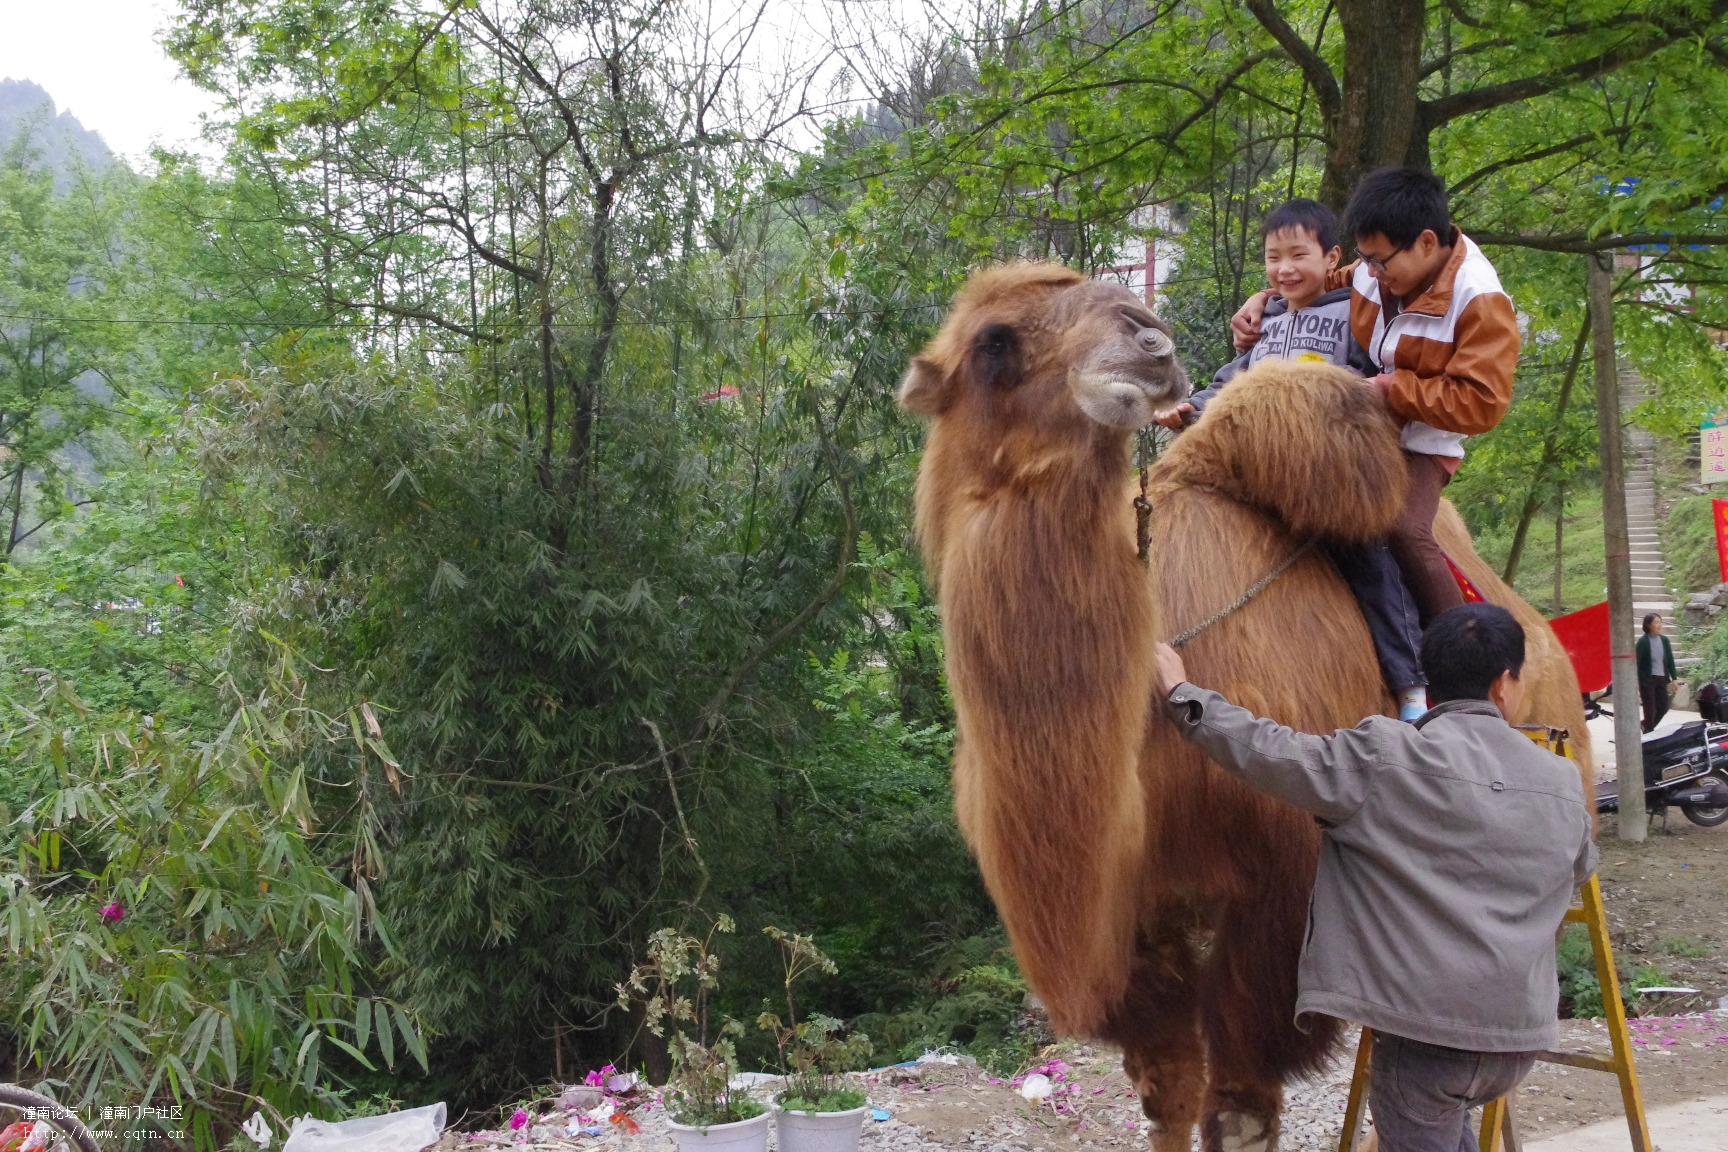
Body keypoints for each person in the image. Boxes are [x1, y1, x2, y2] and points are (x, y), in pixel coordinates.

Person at [1154, 602, 1596, 1152]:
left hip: (1427, 1048)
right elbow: (1578, 866)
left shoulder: (1383, 757)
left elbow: (1271, 752)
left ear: (1430, 683)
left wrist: (1182, 696)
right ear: (1507, 683)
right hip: (1518, 1041)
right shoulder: (1558, 776)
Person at [1157, 199, 1427, 721]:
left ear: (1332, 258)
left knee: (1369, 560)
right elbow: (1230, 383)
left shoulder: (1356, 313)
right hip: (1257, 473)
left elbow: (1374, 384)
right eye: (1272, 257)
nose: (1284, 269)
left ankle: (1410, 680)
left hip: (1326, 476)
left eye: (1297, 255)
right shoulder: (1269, 321)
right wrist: (1191, 410)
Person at [1231, 168, 1522, 630]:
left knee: (1402, 529)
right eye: (1365, 260)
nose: (1371, 273)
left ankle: (1465, 647)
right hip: (1360, 424)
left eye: (1381, 262)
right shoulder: (1374, 270)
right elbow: (1319, 281)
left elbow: (1481, 402)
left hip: (1422, 441)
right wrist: (1261, 299)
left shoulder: (1479, 300)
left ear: (1426, 242)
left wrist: (1389, 389)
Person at [1636, 612, 1677, 733]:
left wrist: (1674, 678)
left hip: (1661, 679)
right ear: (1648, 625)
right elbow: (1637, 663)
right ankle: (1648, 731)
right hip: (1647, 680)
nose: (1660, 625)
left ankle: (1646, 725)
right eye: (1656, 622)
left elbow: (1669, 660)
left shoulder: (1664, 640)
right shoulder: (1643, 642)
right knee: (1650, 710)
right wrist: (1636, 680)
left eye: (1660, 622)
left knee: (1663, 707)